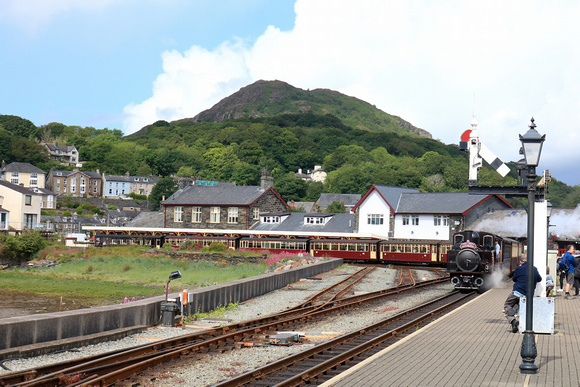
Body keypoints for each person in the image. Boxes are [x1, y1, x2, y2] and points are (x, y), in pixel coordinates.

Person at [504, 255, 542, 333]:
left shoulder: (519, 268)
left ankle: (512, 320)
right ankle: (517, 308)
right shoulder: (534, 269)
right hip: (528, 295)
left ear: (521, 262)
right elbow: (539, 279)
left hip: (517, 292)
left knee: (507, 305)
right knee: (524, 307)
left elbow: (514, 279)